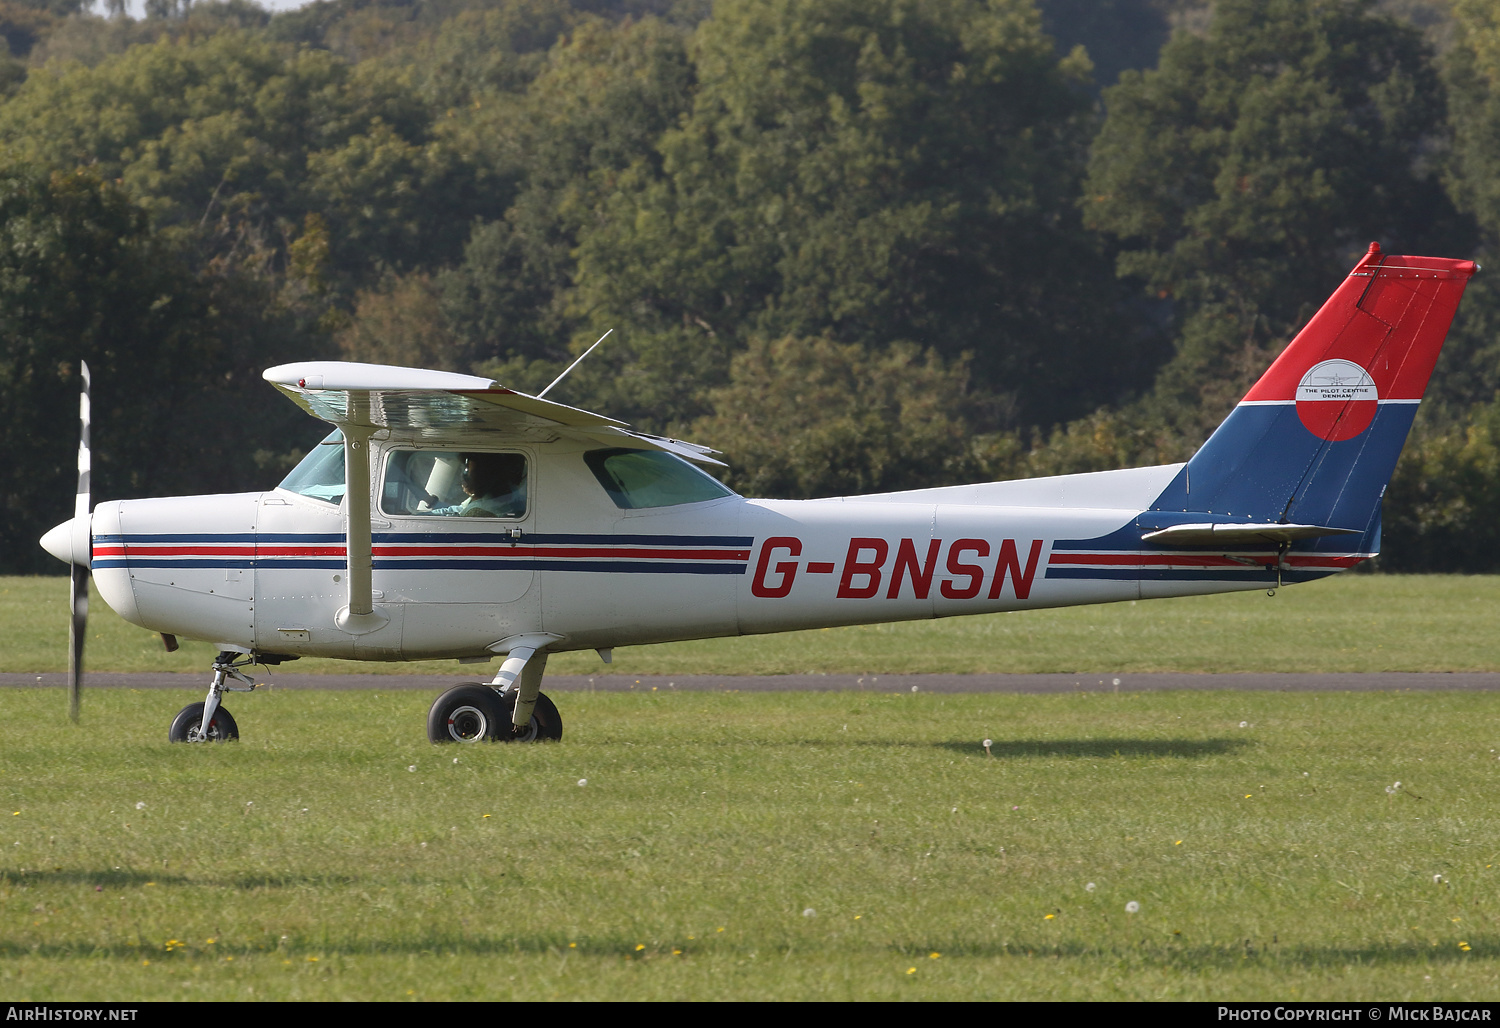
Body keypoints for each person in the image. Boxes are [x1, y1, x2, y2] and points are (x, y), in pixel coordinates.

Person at [431, 453, 526, 518]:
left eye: (468, 471)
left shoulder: (477, 510)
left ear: (483, 476)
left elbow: (462, 513)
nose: (464, 477)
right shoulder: (510, 496)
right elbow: (459, 509)